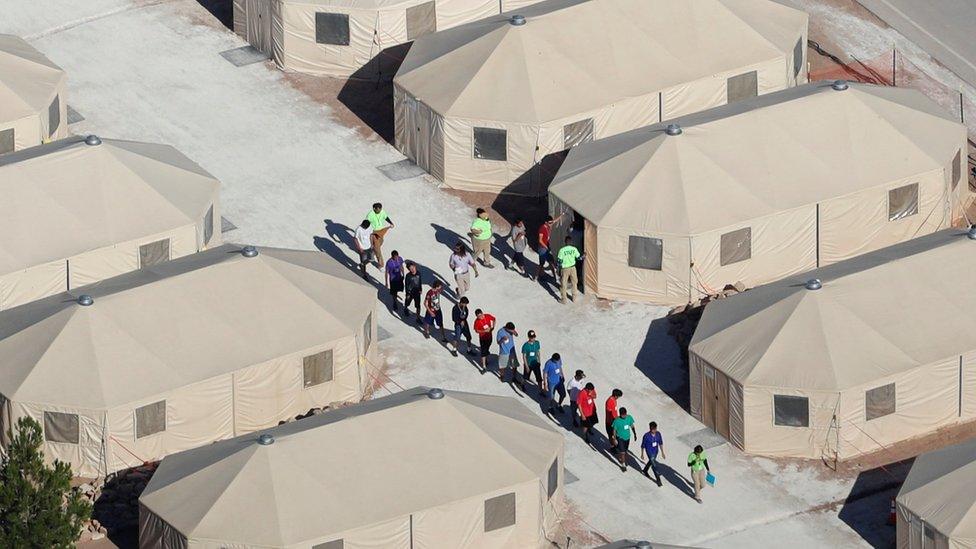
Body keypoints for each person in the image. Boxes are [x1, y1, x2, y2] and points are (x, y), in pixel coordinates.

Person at [533, 213, 563, 282]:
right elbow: (540, 240)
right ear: (545, 222)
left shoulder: (549, 225)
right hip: (542, 248)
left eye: (551, 222)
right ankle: (536, 277)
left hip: (547, 247)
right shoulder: (542, 229)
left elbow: (555, 221)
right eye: (549, 223)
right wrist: (546, 247)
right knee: (541, 264)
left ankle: (555, 277)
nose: (551, 224)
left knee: (551, 262)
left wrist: (561, 215)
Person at [557, 236, 582, 304]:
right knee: (574, 283)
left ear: (565, 242)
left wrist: (558, 269)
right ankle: (574, 298)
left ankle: (564, 300)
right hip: (573, 268)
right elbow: (579, 258)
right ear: (571, 242)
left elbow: (559, 261)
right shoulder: (574, 249)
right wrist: (584, 255)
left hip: (565, 269)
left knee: (564, 284)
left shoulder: (562, 250)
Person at [640, 422, 666, 486]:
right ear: (650, 428)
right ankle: (658, 479)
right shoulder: (646, 436)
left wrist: (662, 452)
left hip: (655, 451)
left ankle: (645, 470)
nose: (654, 431)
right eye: (652, 429)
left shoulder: (658, 434)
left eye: (655, 429)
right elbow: (643, 445)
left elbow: (660, 443)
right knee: (654, 465)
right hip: (649, 451)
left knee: (652, 462)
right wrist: (642, 454)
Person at [611, 408, 637, 472]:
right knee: (623, 452)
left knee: (625, 451)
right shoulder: (617, 420)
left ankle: (621, 458)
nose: (624, 416)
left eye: (625, 414)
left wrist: (635, 434)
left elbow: (632, 426)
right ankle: (623, 465)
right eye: (622, 415)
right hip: (620, 438)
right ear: (620, 414)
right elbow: (614, 430)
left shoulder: (629, 418)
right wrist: (614, 439)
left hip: (627, 438)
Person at [473, 308, 496, 372]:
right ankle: (484, 366)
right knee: (483, 351)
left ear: (482, 313)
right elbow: (476, 330)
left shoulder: (487, 316)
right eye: (478, 316)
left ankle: (485, 357)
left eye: (481, 315)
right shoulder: (477, 321)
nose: (480, 317)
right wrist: (484, 330)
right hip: (482, 338)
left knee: (487, 348)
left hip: (489, 337)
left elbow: (494, 319)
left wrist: (493, 327)